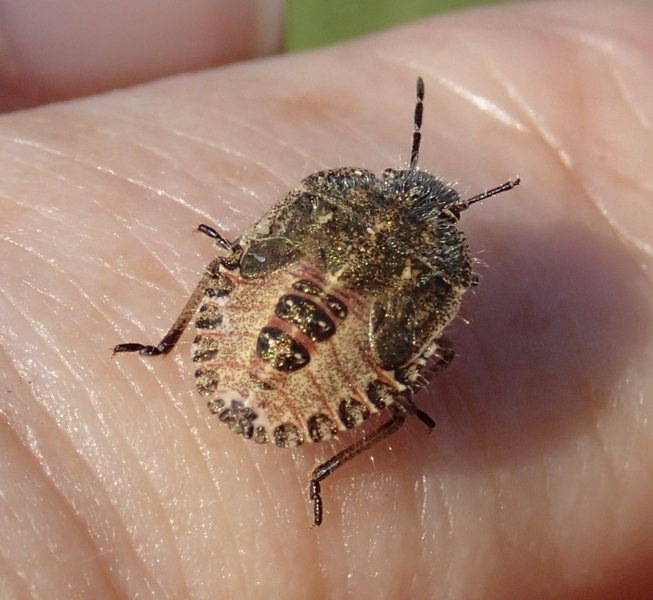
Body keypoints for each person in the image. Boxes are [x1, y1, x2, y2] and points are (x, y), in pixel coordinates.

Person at [1, 1, 652, 597]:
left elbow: (251, 247)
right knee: (400, 408)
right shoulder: (441, 270)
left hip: (255, 330)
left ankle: (165, 347)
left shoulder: (334, 195)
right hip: (323, 364)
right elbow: (432, 347)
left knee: (226, 262)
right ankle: (319, 470)